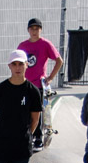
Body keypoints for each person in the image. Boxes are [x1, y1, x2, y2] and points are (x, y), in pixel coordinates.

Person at [18, 17, 63, 148]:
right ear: (28, 30)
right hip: (25, 83)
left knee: (37, 111)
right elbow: (17, 63)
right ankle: (28, 135)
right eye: (32, 29)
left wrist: (50, 77)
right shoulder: (23, 46)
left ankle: (38, 137)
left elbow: (59, 60)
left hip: (38, 84)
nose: (34, 31)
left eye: (37, 29)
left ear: (40, 30)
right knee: (25, 110)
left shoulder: (45, 44)